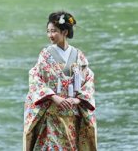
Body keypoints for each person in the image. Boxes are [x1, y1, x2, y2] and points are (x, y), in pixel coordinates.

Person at [23, 11, 97, 151]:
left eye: (54, 31)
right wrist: (54, 97)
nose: (50, 35)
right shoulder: (45, 55)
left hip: (72, 114)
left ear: (64, 32)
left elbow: (88, 80)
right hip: (52, 113)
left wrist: (77, 100)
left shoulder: (78, 55)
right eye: (48, 31)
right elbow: (35, 78)